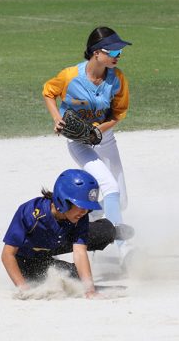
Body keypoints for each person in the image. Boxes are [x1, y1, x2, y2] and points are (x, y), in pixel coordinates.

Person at [42, 27, 134, 262]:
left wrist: (97, 131)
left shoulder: (117, 79)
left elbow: (118, 114)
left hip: (105, 139)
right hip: (79, 143)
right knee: (110, 187)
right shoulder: (70, 75)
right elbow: (49, 91)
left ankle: (89, 218)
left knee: (120, 201)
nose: (117, 55)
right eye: (112, 50)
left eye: (120, 51)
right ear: (95, 52)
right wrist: (57, 119)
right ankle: (125, 251)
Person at [1, 169, 116, 298]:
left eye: (88, 207)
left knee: (107, 232)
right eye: (81, 206)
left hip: (60, 241)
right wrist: (23, 288)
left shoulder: (81, 215)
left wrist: (90, 290)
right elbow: (7, 255)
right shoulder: (30, 213)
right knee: (72, 277)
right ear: (63, 201)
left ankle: (117, 231)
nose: (85, 211)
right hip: (29, 258)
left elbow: (79, 251)